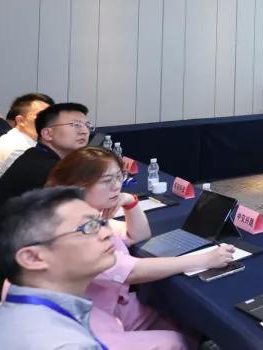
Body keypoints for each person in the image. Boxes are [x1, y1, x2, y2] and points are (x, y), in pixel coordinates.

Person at [48, 148, 234, 349]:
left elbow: (138, 236)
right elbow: (131, 272)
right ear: (77, 186)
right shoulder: (71, 228)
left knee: (182, 320)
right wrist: (204, 260)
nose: (116, 186)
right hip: (84, 322)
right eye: (106, 180)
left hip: (110, 305)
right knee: (172, 342)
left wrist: (130, 203)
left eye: (119, 177)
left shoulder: (86, 213)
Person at [0, 187, 115, 349]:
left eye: (101, 222)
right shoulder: (68, 345)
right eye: (89, 226)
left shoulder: (18, 314)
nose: (107, 233)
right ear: (33, 258)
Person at [0, 102, 93, 298]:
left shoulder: (38, 156)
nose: (84, 131)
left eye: (87, 125)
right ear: (47, 134)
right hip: (3, 276)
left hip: (0, 261)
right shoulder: (44, 169)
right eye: (75, 125)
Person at [0, 92, 55, 209]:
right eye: (41, 116)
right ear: (21, 121)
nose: (49, 122)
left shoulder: (20, 138)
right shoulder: (19, 148)